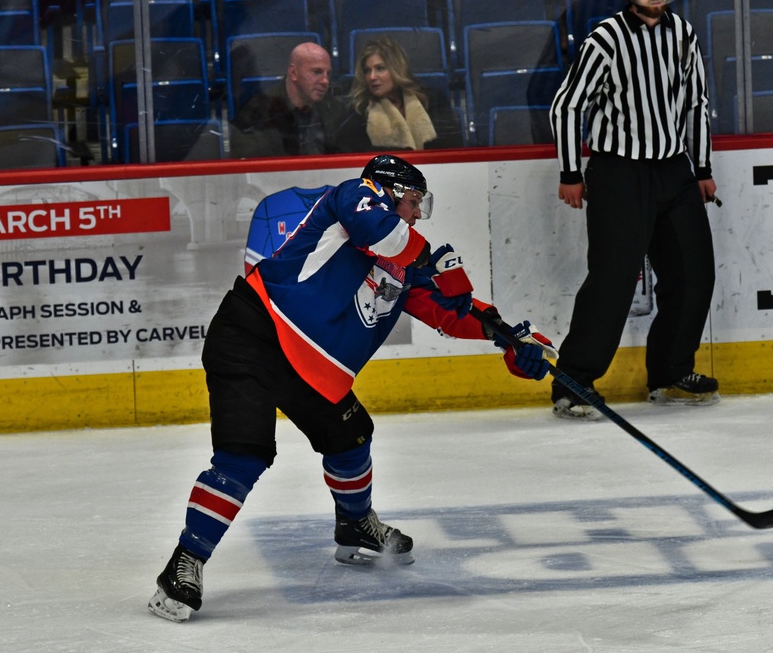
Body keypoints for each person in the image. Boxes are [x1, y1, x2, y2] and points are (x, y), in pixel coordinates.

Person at [148, 154, 556, 623]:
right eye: (413, 200)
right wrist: (429, 259)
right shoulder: (352, 197)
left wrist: (511, 338)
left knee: (351, 435)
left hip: (312, 365)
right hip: (253, 335)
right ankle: (185, 562)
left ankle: (356, 525)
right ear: (386, 190)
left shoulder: (402, 263)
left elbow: (452, 310)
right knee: (243, 455)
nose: (418, 212)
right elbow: (382, 234)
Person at [548, 0, 719, 418]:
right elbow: (567, 106)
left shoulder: (683, 33)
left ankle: (668, 373)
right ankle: (573, 382)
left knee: (693, 272)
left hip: (673, 170)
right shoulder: (605, 38)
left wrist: (701, 168)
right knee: (613, 280)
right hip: (618, 172)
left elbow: (695, 104)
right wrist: (570, 172)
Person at [229, 42, 370, 157]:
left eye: (328, 74)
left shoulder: (335, 108)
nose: (325, 81)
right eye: (317, 72)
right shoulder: (259, 110)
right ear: (293, 72)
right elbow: (248, 166)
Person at [344, 37, 463, 150]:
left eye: (380, 68)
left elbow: (450, 144)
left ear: (397, 69)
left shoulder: (432, 100)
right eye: (367, 71)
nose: (372, 77)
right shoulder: (359, 110)